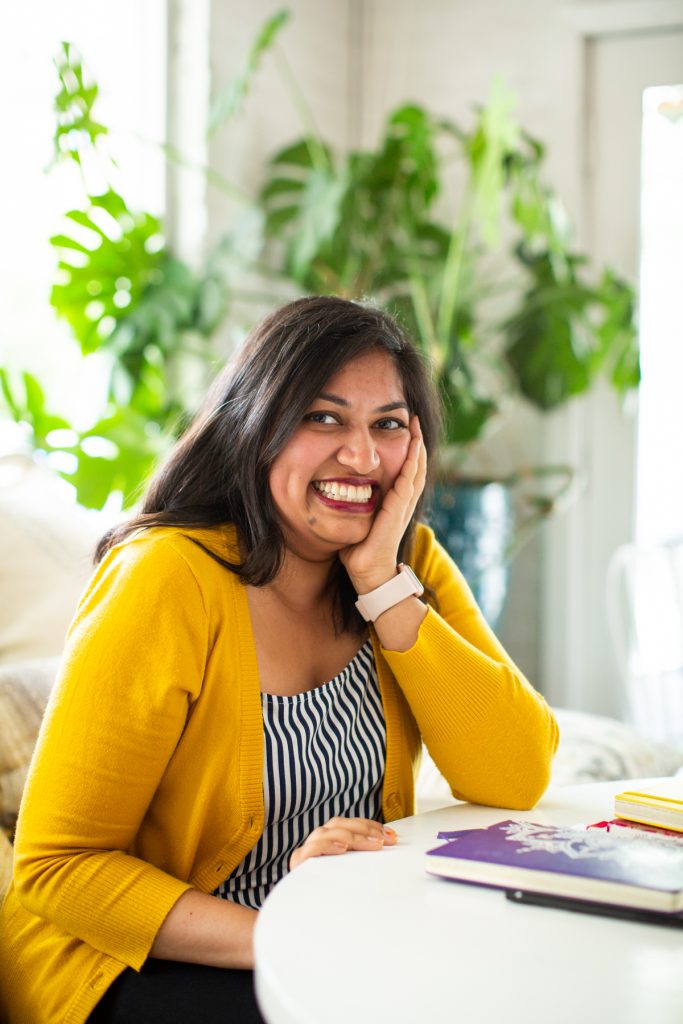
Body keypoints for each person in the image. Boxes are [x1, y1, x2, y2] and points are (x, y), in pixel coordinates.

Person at [0, 296, 558, 1024]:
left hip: (333, 935)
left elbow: (515, 774)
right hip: (126, 961)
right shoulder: (168, 577)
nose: (360, 457)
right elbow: (59, 871)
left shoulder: (405, 563)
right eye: (322, 417)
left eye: (387, 425)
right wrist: (294, 934)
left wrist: (382, 588)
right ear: (255, 426)